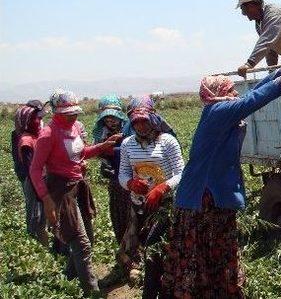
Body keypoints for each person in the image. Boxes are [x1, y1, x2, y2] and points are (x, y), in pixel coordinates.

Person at [162, 47, 281, 298]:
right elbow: (253, 100)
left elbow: (254, 92)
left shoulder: (220, 110)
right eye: (230, 89)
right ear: (219, 93)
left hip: (210, 197)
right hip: (204, 199)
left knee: (214, 251)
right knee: (205, 253)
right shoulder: (218, 112)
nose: (236, 92)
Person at [29, 90, 120, 295]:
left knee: (87, 237)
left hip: (78, 185)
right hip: (60, 189)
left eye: (74, 112)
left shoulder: (76, 128)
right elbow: (35, 170)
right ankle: (92, 291)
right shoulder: (48, 134)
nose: (73, 116)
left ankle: (69, 277)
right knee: (82, 243)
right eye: (67, 113)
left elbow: (81, 153)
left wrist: (102, 146)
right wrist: (46, 199)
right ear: (56, 112)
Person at [118, 105, 184, 297]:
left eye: (144, 121)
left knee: (156, 249)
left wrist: (163, 188)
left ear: (154, 120)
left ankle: (155, 291)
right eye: (136, 122)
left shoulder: (167, 141)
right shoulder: (127, 144)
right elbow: (123, 173)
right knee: (147, 249)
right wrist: (130, 183)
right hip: (139, 206)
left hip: (164, 206)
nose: (140, 126)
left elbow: (181, 172)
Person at [92, 95, 129, 244]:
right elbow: (98, 152)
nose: (110, 122)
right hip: (115, 180)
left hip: (132, 177)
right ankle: (123, 246)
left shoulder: (129, 130)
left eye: (113, 118)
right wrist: (105, 163)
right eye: (107, 119)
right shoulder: (102, 133)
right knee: (118, 212)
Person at [11, 100, 48, 245]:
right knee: (35, 213)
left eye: (39, 118)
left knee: (40, 213)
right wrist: (41, 189)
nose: (39, 121)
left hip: (39, 179)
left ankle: (40, 241)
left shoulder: (35, 135)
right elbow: (31, 167)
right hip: (33, 180)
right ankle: (35, 244)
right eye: (36, 118)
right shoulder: (26, 140)